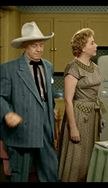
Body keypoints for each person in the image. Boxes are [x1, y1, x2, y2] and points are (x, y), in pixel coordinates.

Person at [0, 21, 58, 182]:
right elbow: (1, 97)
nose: (39, 49)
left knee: (51, 173)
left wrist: (51, 109)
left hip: (46, 130)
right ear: (24, 46)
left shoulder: (48, 66)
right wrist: (7, 113)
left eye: (41, 45)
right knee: (20, 176)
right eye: (34, 46)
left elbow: (47, 95)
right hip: (22, 131)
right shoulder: (8, 69)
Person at [58, 28, 105, 182]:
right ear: (83, 47)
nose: (96, 45)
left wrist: (100, 116)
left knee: (89, 158)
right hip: (78, 116)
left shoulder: (95, 66)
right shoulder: (73, 67)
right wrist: (73, 127)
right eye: (93, 42)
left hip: (93, 115)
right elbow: (68, 100)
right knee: (76, 157)